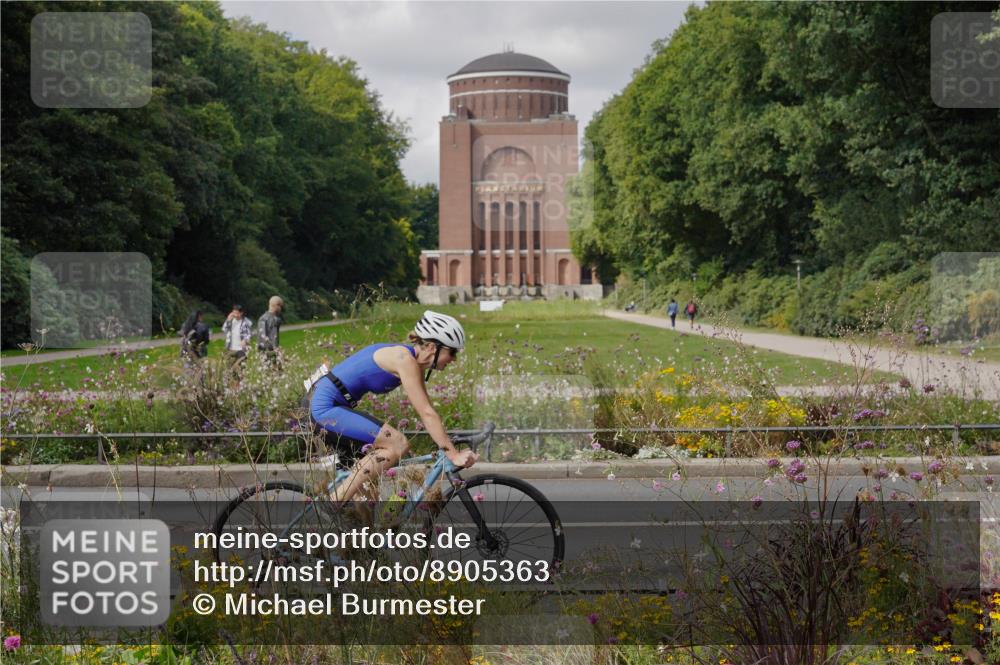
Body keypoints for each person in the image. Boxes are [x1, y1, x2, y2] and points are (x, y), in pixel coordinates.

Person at [306, 310, 476, 503]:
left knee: (369, 501)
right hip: (323, 408)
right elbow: (427, 414)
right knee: (398, 443)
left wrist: (447, 445)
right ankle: (333, 502)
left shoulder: (412, 363)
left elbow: (428, 410)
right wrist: (453, 455)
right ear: (431, 347)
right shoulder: (404, 360)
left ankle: (362, 519)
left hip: (332, 406)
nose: (454, 359)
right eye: (452, 352)